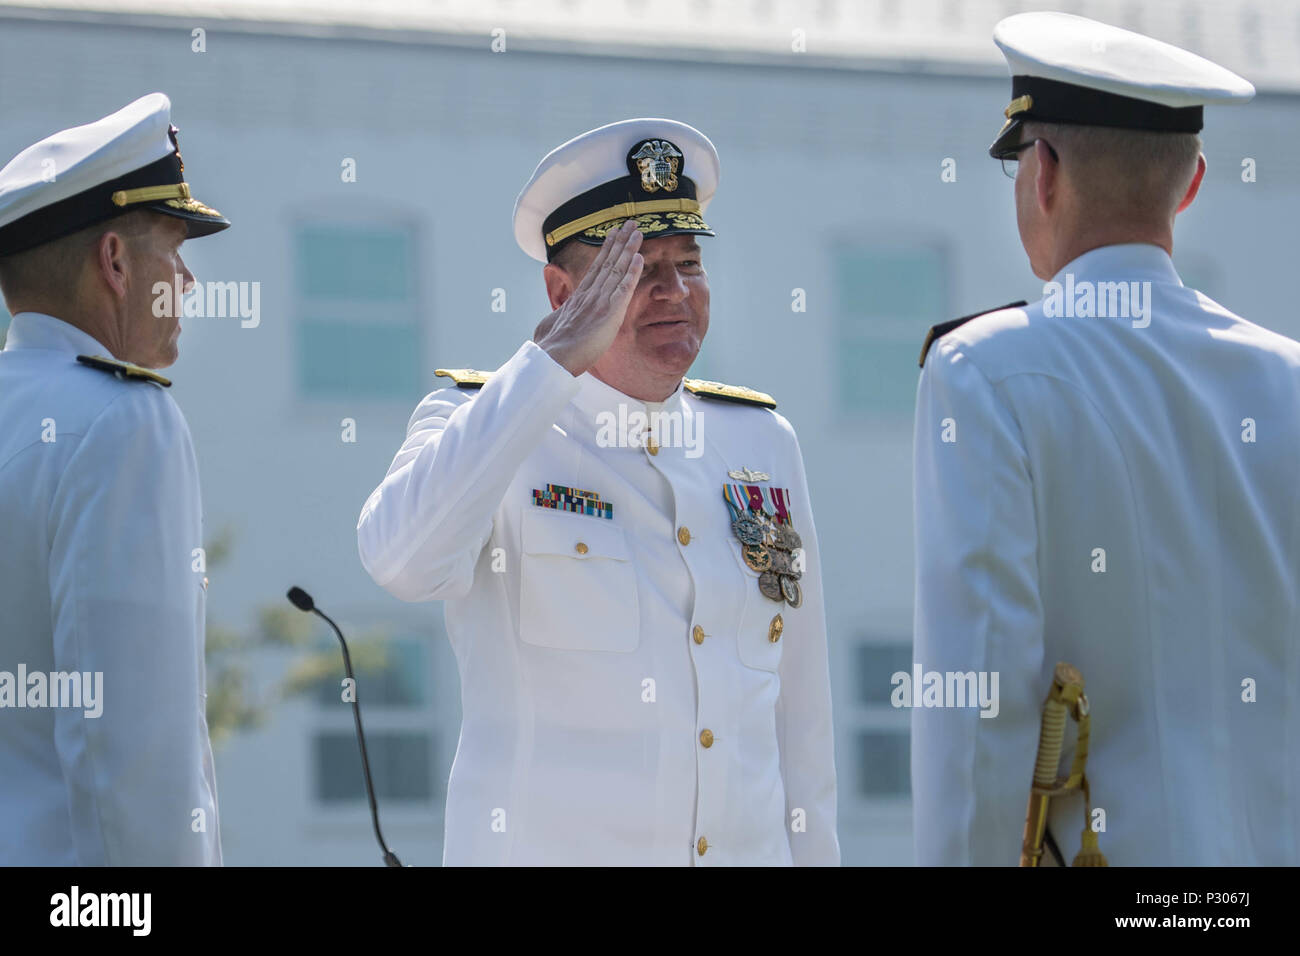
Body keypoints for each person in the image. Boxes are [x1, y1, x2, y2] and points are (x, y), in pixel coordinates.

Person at [358, 118, 838, 865]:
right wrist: (548, 365)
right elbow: (399, 559)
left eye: (689, 263)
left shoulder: (761, 444)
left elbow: (801, 728)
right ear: (562, 290)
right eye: (640, 270)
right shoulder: (482, 427)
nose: (675, 292)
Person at [911, 12, 1300, 866]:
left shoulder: (984, 370)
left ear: (1042, 173)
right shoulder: (1287, 378)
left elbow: (979, 697)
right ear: (1191, 183)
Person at [0, 93, 230, 865]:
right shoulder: (123, 424)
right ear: (115, 262)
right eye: (175, 249)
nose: (189, 281)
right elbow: (130, 756)